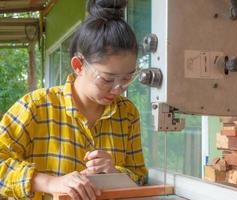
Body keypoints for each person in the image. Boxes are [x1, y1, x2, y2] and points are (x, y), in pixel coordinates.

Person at [0, 0, 148, 199]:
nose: (118, 89)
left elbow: (139, 177)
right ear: (78, 65)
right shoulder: (37, 106)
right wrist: (51, 183)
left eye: (127, 78)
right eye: (107, 79)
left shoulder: (127, 113)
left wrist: (115, 173)